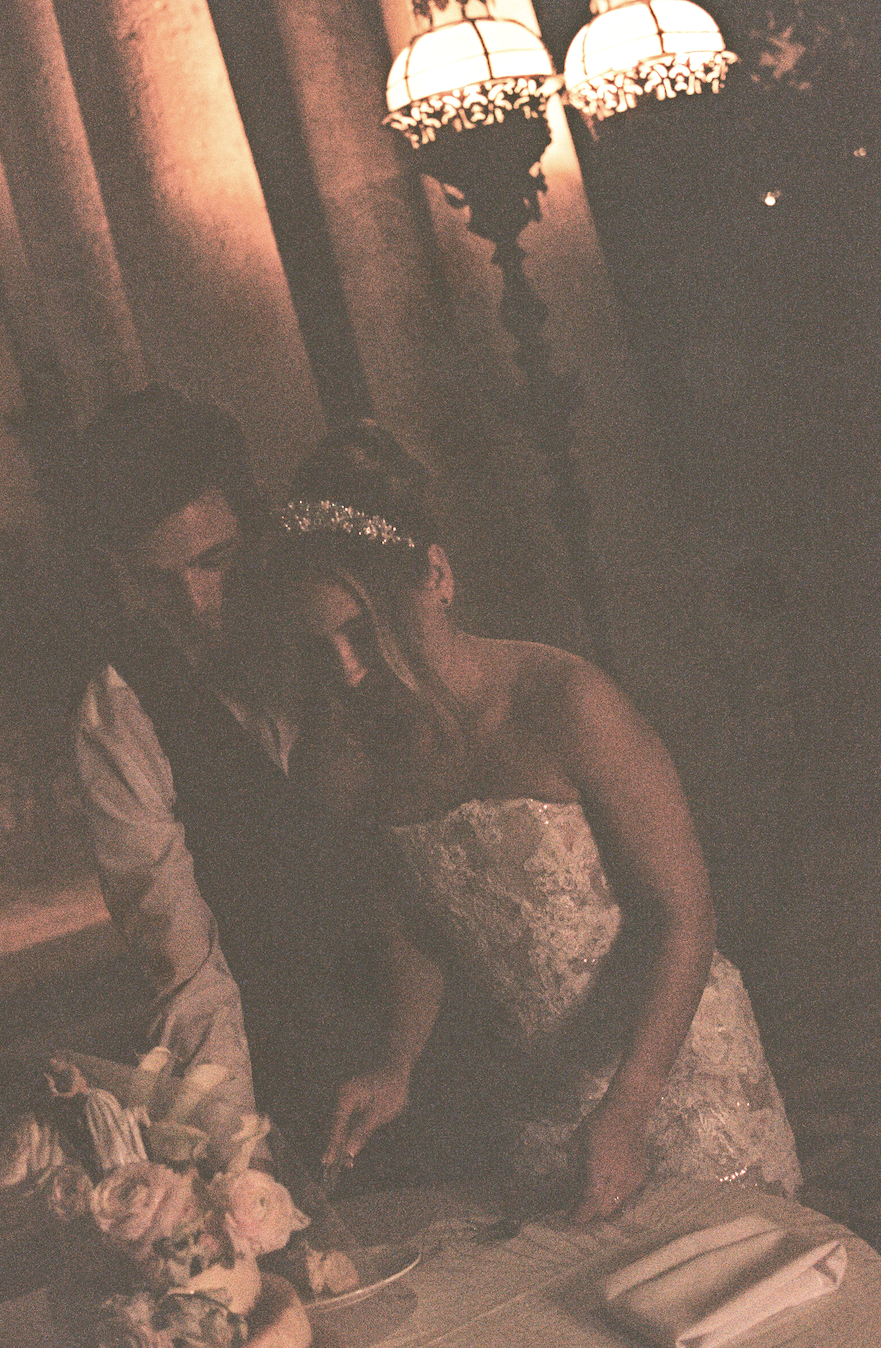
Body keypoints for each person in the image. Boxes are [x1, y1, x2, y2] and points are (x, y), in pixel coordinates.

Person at [272, 425, 803, 1221]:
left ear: (438, 575)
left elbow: (685, 917)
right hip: (542, 1102)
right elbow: (418, 937)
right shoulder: (367, 753)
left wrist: (628, 1107)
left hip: (676, 1069)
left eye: (367, 632)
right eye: (322, 648)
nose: (347, 671)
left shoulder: (566, 701)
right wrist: (396, 1065)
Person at [65, 385, 444, 1171]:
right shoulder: (119, 710)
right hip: (301, 1079)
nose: (194, 601)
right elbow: (185, 968)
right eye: (156, 580)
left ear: (258, 524)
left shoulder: (353, 627)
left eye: (215, 560)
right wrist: (237, 1149)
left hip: (463, 1020)